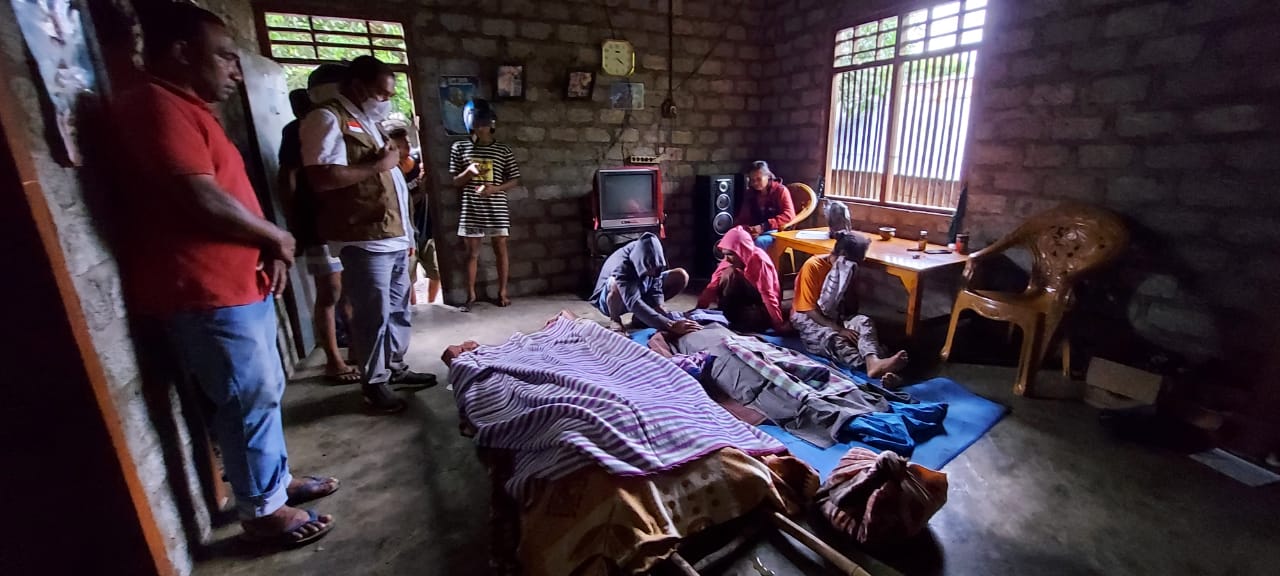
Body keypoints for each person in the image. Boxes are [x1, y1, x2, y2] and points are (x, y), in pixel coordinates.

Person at [116, 2, 337, 548]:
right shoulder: (156, 106)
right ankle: (263, 511)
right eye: (225, 58)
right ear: (180, 52)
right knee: (245, 395)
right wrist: (275, 236)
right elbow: (196, 196)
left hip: (237, 283)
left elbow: (218, 193)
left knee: (261, 391)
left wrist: (265, 246)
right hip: (203, 288)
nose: (235, 71)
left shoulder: (188, 109)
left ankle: (275, 483)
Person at [301, 55, 436, 414]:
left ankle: (395, 367)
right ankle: (373, 384)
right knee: (372, 313)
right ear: (359, 86)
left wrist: (407, 237)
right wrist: (376, 165)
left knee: (396, 308)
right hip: (364, 236)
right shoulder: (327, 118)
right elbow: (322, 178)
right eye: (382, 92)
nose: (386, 100)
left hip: (391, 235)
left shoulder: (367, 120)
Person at [278, 76, 358, 384]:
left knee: (350, 288)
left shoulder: (339, 122)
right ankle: (333, 361)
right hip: (317, 222)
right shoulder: (297, 130)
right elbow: (288, 177)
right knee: (330, 290)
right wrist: (294, 221)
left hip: (345, 221)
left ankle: (354, 350)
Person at [791, 232, 908, 383]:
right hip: (808, 316)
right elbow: (808, 309)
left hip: (837, 315)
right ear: (843, 254)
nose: (859, 263)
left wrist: (849, 282)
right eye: (858, 259)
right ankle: (876, 366)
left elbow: (852, 308)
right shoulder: (813, 266)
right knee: (832, 339)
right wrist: (839, 329)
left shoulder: (848, 270)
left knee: (863, 322)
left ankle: (874, 362)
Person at [450, 99, 522, 311]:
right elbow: (455, 181)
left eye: (485, 123)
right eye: (478, 124)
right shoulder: (459, 147)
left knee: (501, 248)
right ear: (470, 124)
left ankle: (503, 292)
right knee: (471, 253)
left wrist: (495, 189)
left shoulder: (502, 150)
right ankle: (470, 295)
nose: (482, 128)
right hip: (472, 207)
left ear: (492, 123)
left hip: (497, 206)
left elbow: (515, 179)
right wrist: (468, 172)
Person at [590, 233, 697, 335]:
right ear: (642, 265)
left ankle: (641, 318)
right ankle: (615, 320)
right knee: (615, 284)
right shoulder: (623, 266)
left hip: (639, 289)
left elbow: (656, 284)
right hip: (611, 300)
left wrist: (659, 306)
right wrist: (670, 325)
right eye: (652, 270)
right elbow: (633, 302)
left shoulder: (653, 255)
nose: (656, 273)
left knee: (680, 275)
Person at [697, 227, 787, 333]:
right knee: (728, 273)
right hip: (739, 303)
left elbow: (768, 296)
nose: (726, 259)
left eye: (730, 254)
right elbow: (712, 286)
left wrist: (778, 324)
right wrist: (698, 310)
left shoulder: (759, 262)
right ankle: (728, 314)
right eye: (724, 254)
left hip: (760, 305)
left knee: (748, 318)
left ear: (742, 251)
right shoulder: (729, 261)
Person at [388, 127, 440, 305]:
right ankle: (415, 308)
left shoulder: (419, 160)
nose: (406, 147)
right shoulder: (392, 172)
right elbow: (403, 203)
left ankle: (433, 305)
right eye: (401, 144)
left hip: (426, 226)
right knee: (408, 277)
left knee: (436, 271)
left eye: (407, 143)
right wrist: (422, 190)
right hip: (407, 229)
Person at [734, 160, 796, 251]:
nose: (755, 183)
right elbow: (744, 217)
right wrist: (746, 229)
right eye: (752, 180)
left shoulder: (780, 191)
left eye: (758, 179)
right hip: (755, 231)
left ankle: (757, 265)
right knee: (733, 238)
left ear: (768, 176)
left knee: (759, 242)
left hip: (776, 232)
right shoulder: (750, 193)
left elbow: (789, 215)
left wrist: (763, 227)